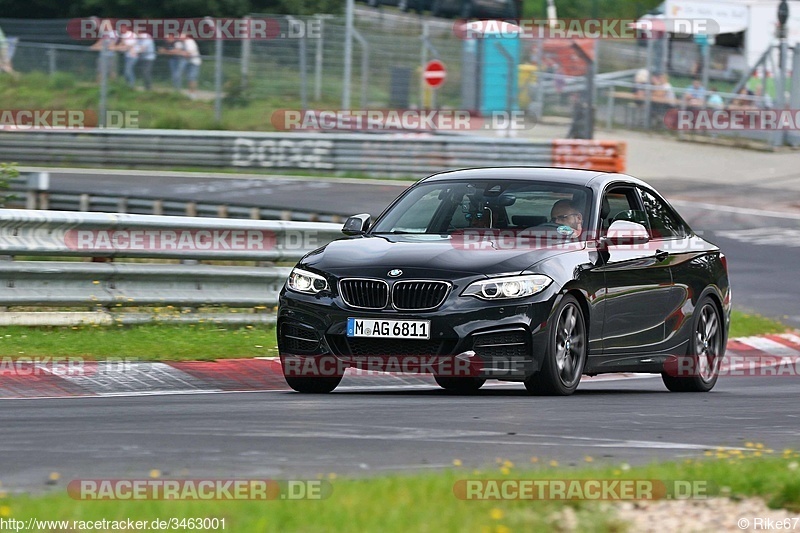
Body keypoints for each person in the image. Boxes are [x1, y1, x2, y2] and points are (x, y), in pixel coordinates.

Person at [89, 18, 118, 82]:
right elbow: (99, 42)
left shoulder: (114, 33)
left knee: (111, 71)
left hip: (110, 55)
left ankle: (113, 84)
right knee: (100, 70)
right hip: (102, 55)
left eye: (105, 24)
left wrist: (100, 47)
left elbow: (111, 46)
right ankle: (98, 85)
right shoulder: (104, 34)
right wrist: (93, 47)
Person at [118, 23, 139, 88]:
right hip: (127, 56)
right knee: (127, 70)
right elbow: (121, 46)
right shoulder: (123, 36)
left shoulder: (132, 35)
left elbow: (131, 45)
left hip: (133, 56)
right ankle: (128, 85)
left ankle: (132, 85)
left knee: (128, 70)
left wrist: (123, 44)